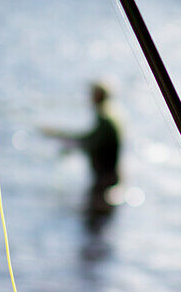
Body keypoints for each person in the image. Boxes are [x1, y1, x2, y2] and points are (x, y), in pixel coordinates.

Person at [42, 82, 122, 213]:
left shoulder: (105, 121)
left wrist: (59, 137)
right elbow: (90, 141)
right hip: (110, 178)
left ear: (97, 97)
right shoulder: (112, 116)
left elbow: (89, 142)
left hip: (105, 181)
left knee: (94, 220)